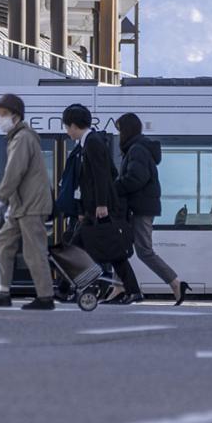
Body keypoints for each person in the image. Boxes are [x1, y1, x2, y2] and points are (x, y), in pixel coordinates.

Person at [55, 103, 142, 305]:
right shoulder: (89, 143)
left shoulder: (93, 142)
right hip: (93, 209)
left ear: (74, 125)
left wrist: (101, 204)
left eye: (67, 127)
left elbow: (101, 176)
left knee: (82, 250)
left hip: (100, 209)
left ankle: (63, 290)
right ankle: (64, 290)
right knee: (106, 251)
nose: (67, 132)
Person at [0, 93, 56, 310]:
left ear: (16, 116)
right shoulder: (17, 138)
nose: (0, 119)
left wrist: (0, 199)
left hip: (31, 206)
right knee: (3, 244)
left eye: (4, 114)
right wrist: (10, 206)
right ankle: (3, 293)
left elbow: (15, 171)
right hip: (21, 206)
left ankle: (45, 297)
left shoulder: (23, 138)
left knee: (34, 252)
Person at [115, 111, 190, 305]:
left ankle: (175, 283)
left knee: (144, 251)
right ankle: (118, 287)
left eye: (120, 130)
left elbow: (136, 179)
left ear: (127, 130)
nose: (118, 135)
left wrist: (113, 188)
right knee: (118, 248)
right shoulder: (137, 148)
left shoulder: (137, 150)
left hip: (140, 208)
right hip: (139, 207)